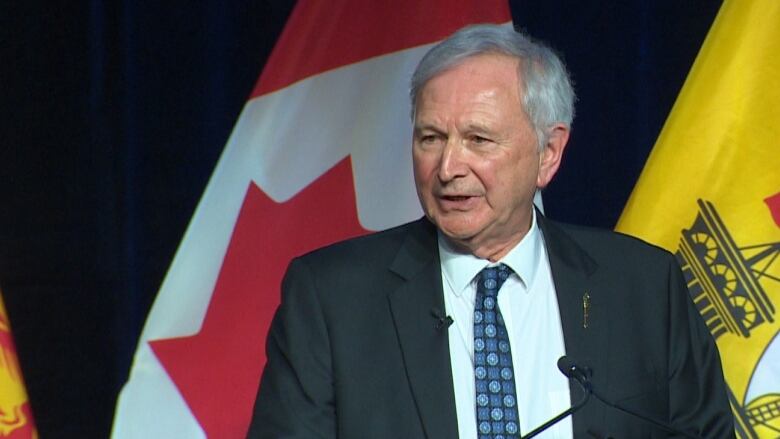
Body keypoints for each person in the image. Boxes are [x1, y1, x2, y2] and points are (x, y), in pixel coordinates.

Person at [247, 24, 734, 438]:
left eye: (478, 139)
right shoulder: (332, 298)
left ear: (548, 153)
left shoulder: (645, 287)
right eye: (430, 138)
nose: (448, 167)